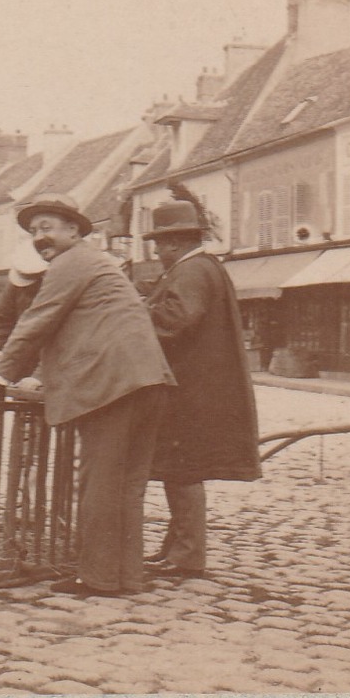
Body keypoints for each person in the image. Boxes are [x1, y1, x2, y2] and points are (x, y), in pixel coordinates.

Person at [0, 194, 175, 597]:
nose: (39, 238)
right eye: (34, 231)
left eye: (47, 227)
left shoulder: (71, 263)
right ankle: (127, 577)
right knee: (128, 485)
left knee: (100, 483)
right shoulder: (99, 263)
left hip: (113, 385)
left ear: (74, 230)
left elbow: (37, 322)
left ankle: (99, 578)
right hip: (148, 380)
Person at [142, 200, 263, 579]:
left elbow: (176, 321)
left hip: (191, 391)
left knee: (183, 471)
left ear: (174, 243)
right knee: (178, 472)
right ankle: (175, 548)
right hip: (196, 388)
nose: (157, 253)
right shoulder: (200, 267)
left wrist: (135, 311)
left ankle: (187, 556)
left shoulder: (192, 271)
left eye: (159, 245)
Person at [0, 241, 49, 376]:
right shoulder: (15, 287)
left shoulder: (60, 286)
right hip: (25, 364)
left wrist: (39, 376)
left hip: (56, 368)